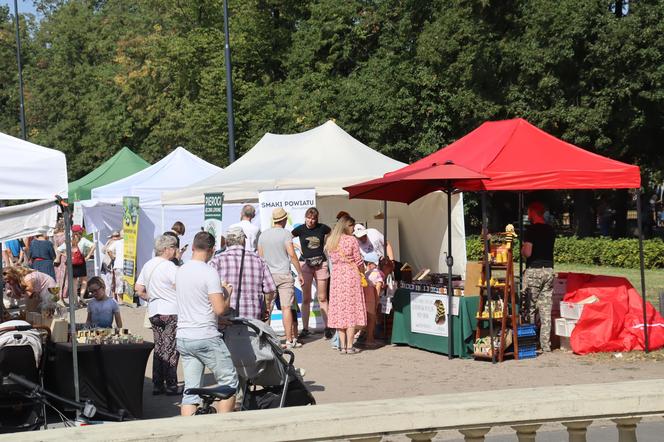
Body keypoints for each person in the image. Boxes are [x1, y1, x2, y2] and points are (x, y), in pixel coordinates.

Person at [176, 231, 237, 415]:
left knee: (191, 391)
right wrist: (227, 293)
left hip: (184, 336)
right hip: (205, 335)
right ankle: (221, 429)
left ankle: (189, 433)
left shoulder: (181, 270)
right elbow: (220, 309)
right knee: (229, 381)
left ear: (193, 247)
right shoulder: (209, 272)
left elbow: (195, 302)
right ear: (212, 250)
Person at [135, 235, 180, 395]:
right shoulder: (170, 267)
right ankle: (171, 384)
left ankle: (157, 383)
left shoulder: (148, 265)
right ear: (167, 249)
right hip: (170, 310)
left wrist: (152, 296)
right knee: (170, 348)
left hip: (154, 310)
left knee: (160, 348)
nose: (176, 250)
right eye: (174, 247)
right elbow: (179, 287)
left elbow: (139, 289)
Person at [258, 208, 304, 349]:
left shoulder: (263, 235)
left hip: (268, 275)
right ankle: (290, 340)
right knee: (286, 308)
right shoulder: (286, 234)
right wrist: (300, 273)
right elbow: (292, 254)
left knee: (267, 309)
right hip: (284, 273)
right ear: (284, 220)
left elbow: (260, 258)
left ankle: (265, 340)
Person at [209, 226, 276, 321]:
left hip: (225, 319)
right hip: (252, 319)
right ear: (243, 241)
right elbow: (270, 289)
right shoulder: (258, 260)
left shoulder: (217, 260)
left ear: (227, 241)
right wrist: (266, 307)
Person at [325, 215, 366, 354]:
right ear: (347, 226)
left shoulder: (330, 241)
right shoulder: (351, 240)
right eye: (352, 225)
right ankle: (350, 346)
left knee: (340, 311)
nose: (353, 228)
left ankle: (342, 347)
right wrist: (363, 272)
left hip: (336, 277)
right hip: (350, 276)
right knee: (351, 311)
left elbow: (331, 259)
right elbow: (359, 261)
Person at [291, 207, 331, 339]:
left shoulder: (322, 228)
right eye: (309, 217)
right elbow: (288, 239)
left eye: (313, 218)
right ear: (305, 217)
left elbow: (332, 233)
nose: (311, 221)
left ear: (317, 218)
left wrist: (326, 244)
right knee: (306, 298)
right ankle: (306, 328)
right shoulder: (300, 229)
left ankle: (328, 327)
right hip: (305, 264)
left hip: (321, 264)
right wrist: (297, 247)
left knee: (323, 297)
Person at [521, 201, 556, 353]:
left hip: (534, 271)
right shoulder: (550, 230)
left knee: (529, 307)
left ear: (533, 212)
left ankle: (529, 343)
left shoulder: (531, 230)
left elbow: (528, 252)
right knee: (545, 309)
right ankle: (546, 345)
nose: (528, 215)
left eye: (529, 212)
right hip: (549, 270)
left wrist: (522, 249)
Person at [57, 230, 95, 298]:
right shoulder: (83, 240)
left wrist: (66, 255)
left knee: (74, 282)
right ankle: (81, 297)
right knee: (84, 280)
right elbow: (94, 245)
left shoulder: (69, 240)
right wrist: (88, 255)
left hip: (72, 263)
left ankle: (75, 299)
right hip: (81, 262)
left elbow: (59, 249)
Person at [106, 231, 125, 300]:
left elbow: (108, 250)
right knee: (120, 283)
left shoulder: (117, 242)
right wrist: (113, 257)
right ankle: (120, 300)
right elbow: (108, 250)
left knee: (118, 283)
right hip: (123, 264)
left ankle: (120, 300)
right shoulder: (124, 242)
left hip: (118, 265)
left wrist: (114, 257)